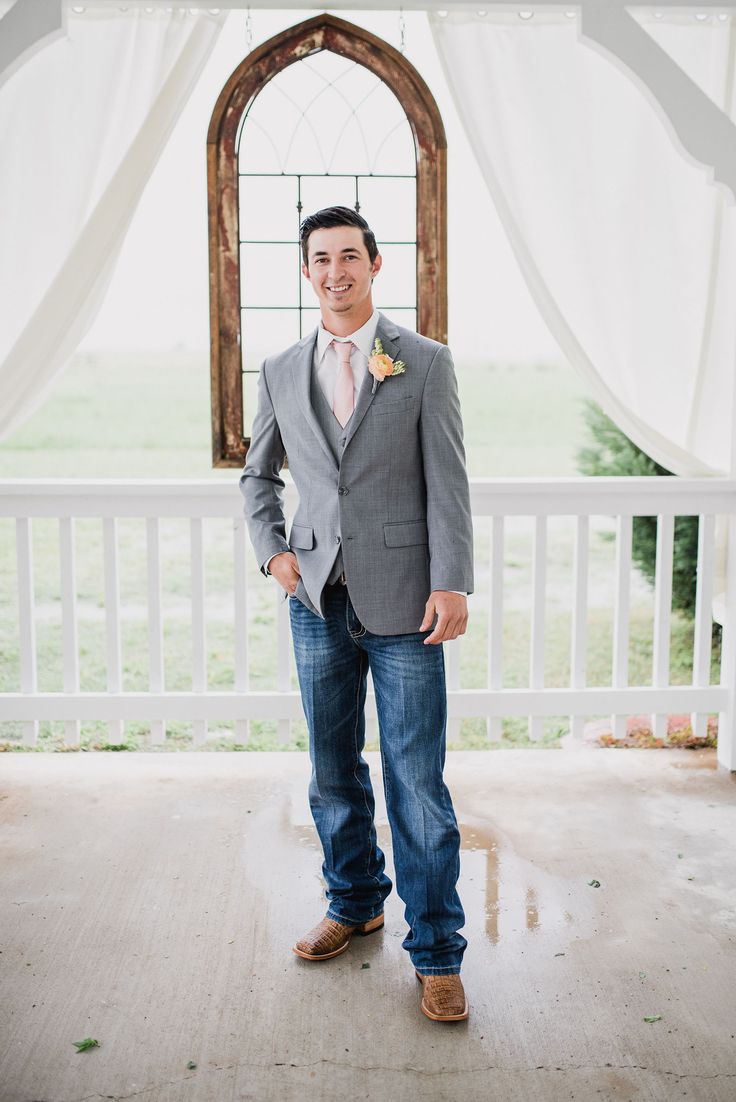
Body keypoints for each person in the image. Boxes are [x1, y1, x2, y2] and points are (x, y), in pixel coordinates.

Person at [240, 205, 474, 1022]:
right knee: (333, 771)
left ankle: (438, 953)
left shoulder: (425, 362)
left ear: (376, 266)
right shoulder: (278, 368)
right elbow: (257, 477)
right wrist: (274, 554)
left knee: (417, 783)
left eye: (350, 256)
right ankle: (354, 902)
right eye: (320, 259)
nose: (335, 271)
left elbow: (447, 481)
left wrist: (453, 582)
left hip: (407, 601)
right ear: (306, 272)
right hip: (314, 599)